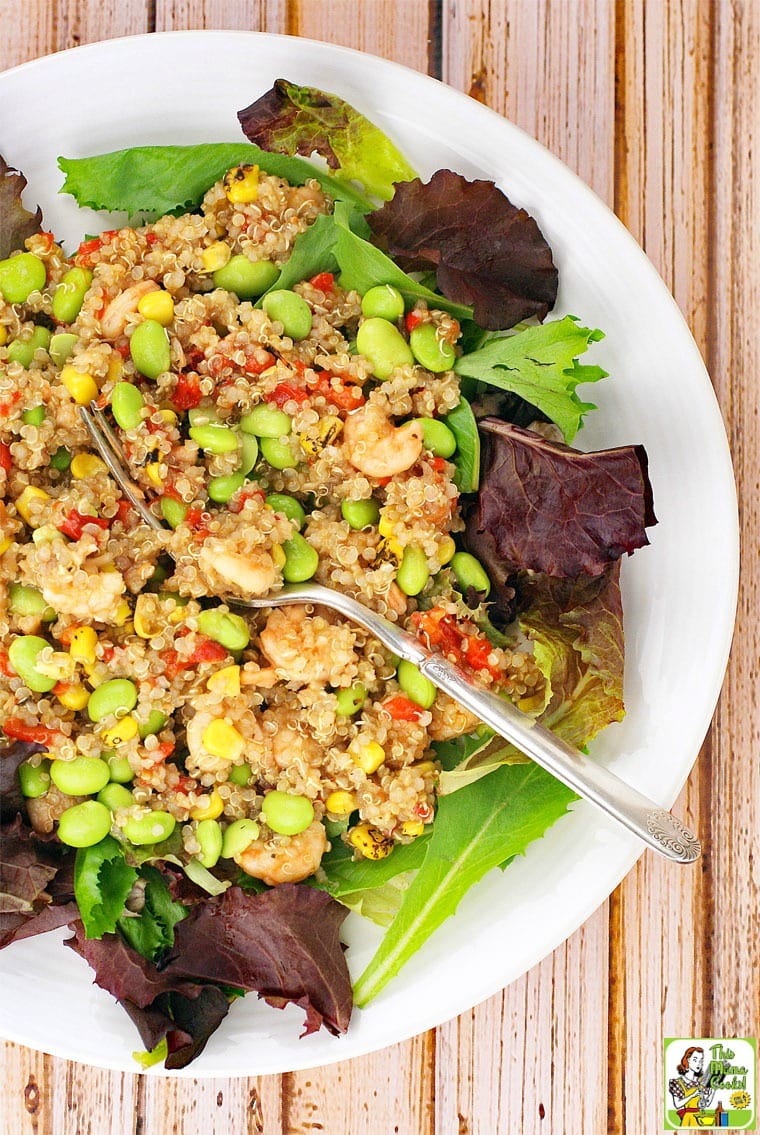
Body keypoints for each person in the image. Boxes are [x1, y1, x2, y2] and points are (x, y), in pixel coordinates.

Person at [669, 1047, 716, 1127]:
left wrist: (713, 1089)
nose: (699, 1064)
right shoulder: (677, 1083)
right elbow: (677, 1105)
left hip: (699, 1118)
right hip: (688, 1119)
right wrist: (692, 1095)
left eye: (701, 1061)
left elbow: (706, 1104)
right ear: (688, 1060)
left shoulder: (701, 1082)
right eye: (695, 1060)